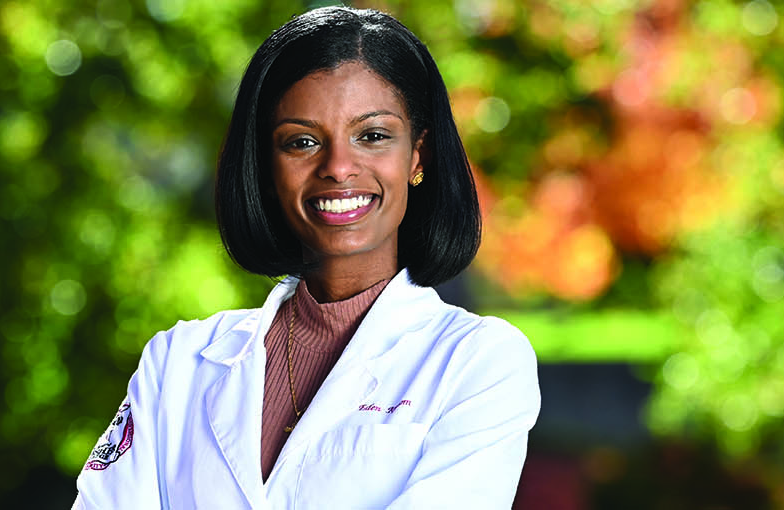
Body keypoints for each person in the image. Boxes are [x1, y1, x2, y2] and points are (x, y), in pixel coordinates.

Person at [73, 6, 539, 509]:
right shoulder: (178, 363)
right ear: (265, 166)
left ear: (418, 156)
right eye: (302, 141)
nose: (338, 167)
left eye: (373, 136)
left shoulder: (478, 363)